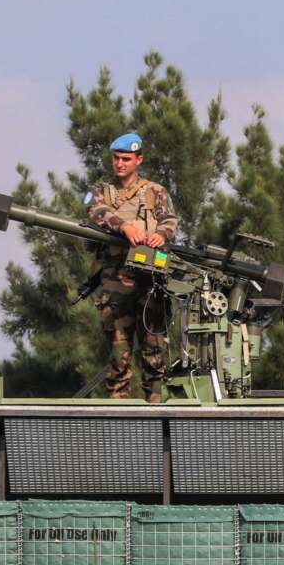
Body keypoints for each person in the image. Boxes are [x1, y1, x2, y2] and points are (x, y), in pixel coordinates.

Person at [86, 133, 179, 402]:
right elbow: (97, 212)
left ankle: (158, 412)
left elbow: (170, 220)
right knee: (119, 353)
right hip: (116, 279)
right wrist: (124, 226)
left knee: (154, 352)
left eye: (126, 159)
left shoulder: (155, 192)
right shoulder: (102, 190)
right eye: (116, 158)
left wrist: (160, 234)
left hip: (150, 280)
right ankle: (120, 414)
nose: (120, 164)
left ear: (139, 160)